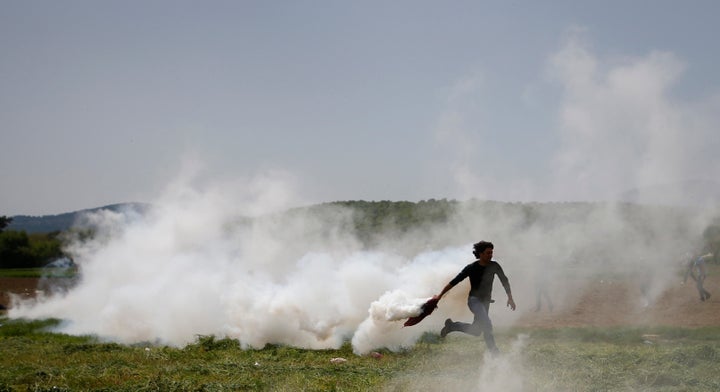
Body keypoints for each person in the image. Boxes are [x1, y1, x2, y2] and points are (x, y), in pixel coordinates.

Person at [433, 241, 516, 354]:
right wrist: (439, 296)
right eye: (488, 253)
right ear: (480, 254)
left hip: (485, 302)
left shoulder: (494, 266)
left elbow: (504, 280)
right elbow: (454, 282)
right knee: (486, 322)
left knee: (476, 331)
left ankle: (452, 326)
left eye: (491, 252)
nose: (491, 255)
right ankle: (494, 352)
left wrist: (510, 297)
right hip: (474, 301)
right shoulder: (471, 268)